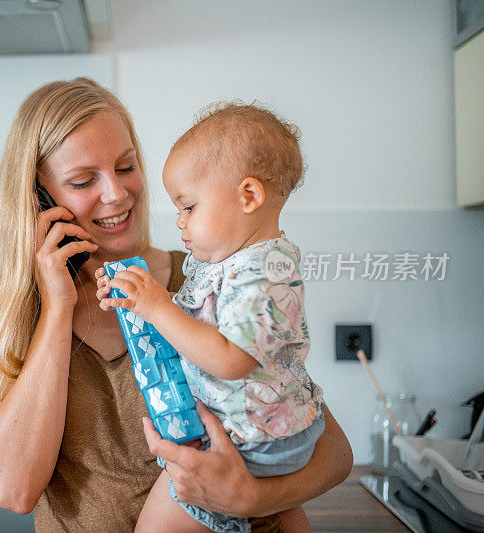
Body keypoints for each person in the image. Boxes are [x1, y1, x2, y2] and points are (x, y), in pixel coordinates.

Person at [0, 78, 353, 532]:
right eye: (83, 181)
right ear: (40, 199)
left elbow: (332, 452)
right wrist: (58, 308)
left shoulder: (204, 279)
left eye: (125, 167)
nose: (117, 194)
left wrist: (252, 498)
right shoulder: (27, 315)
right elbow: (13, 490)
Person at [96, 102, 323, 533]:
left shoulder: (266, 272)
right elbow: (196, 326)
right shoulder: (230, 264)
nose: (180, 222)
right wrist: (139, 301)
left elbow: (229, 360)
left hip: (257, 443)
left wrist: (157, 306)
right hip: (254, 433)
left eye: (189, 207)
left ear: (249, 196)